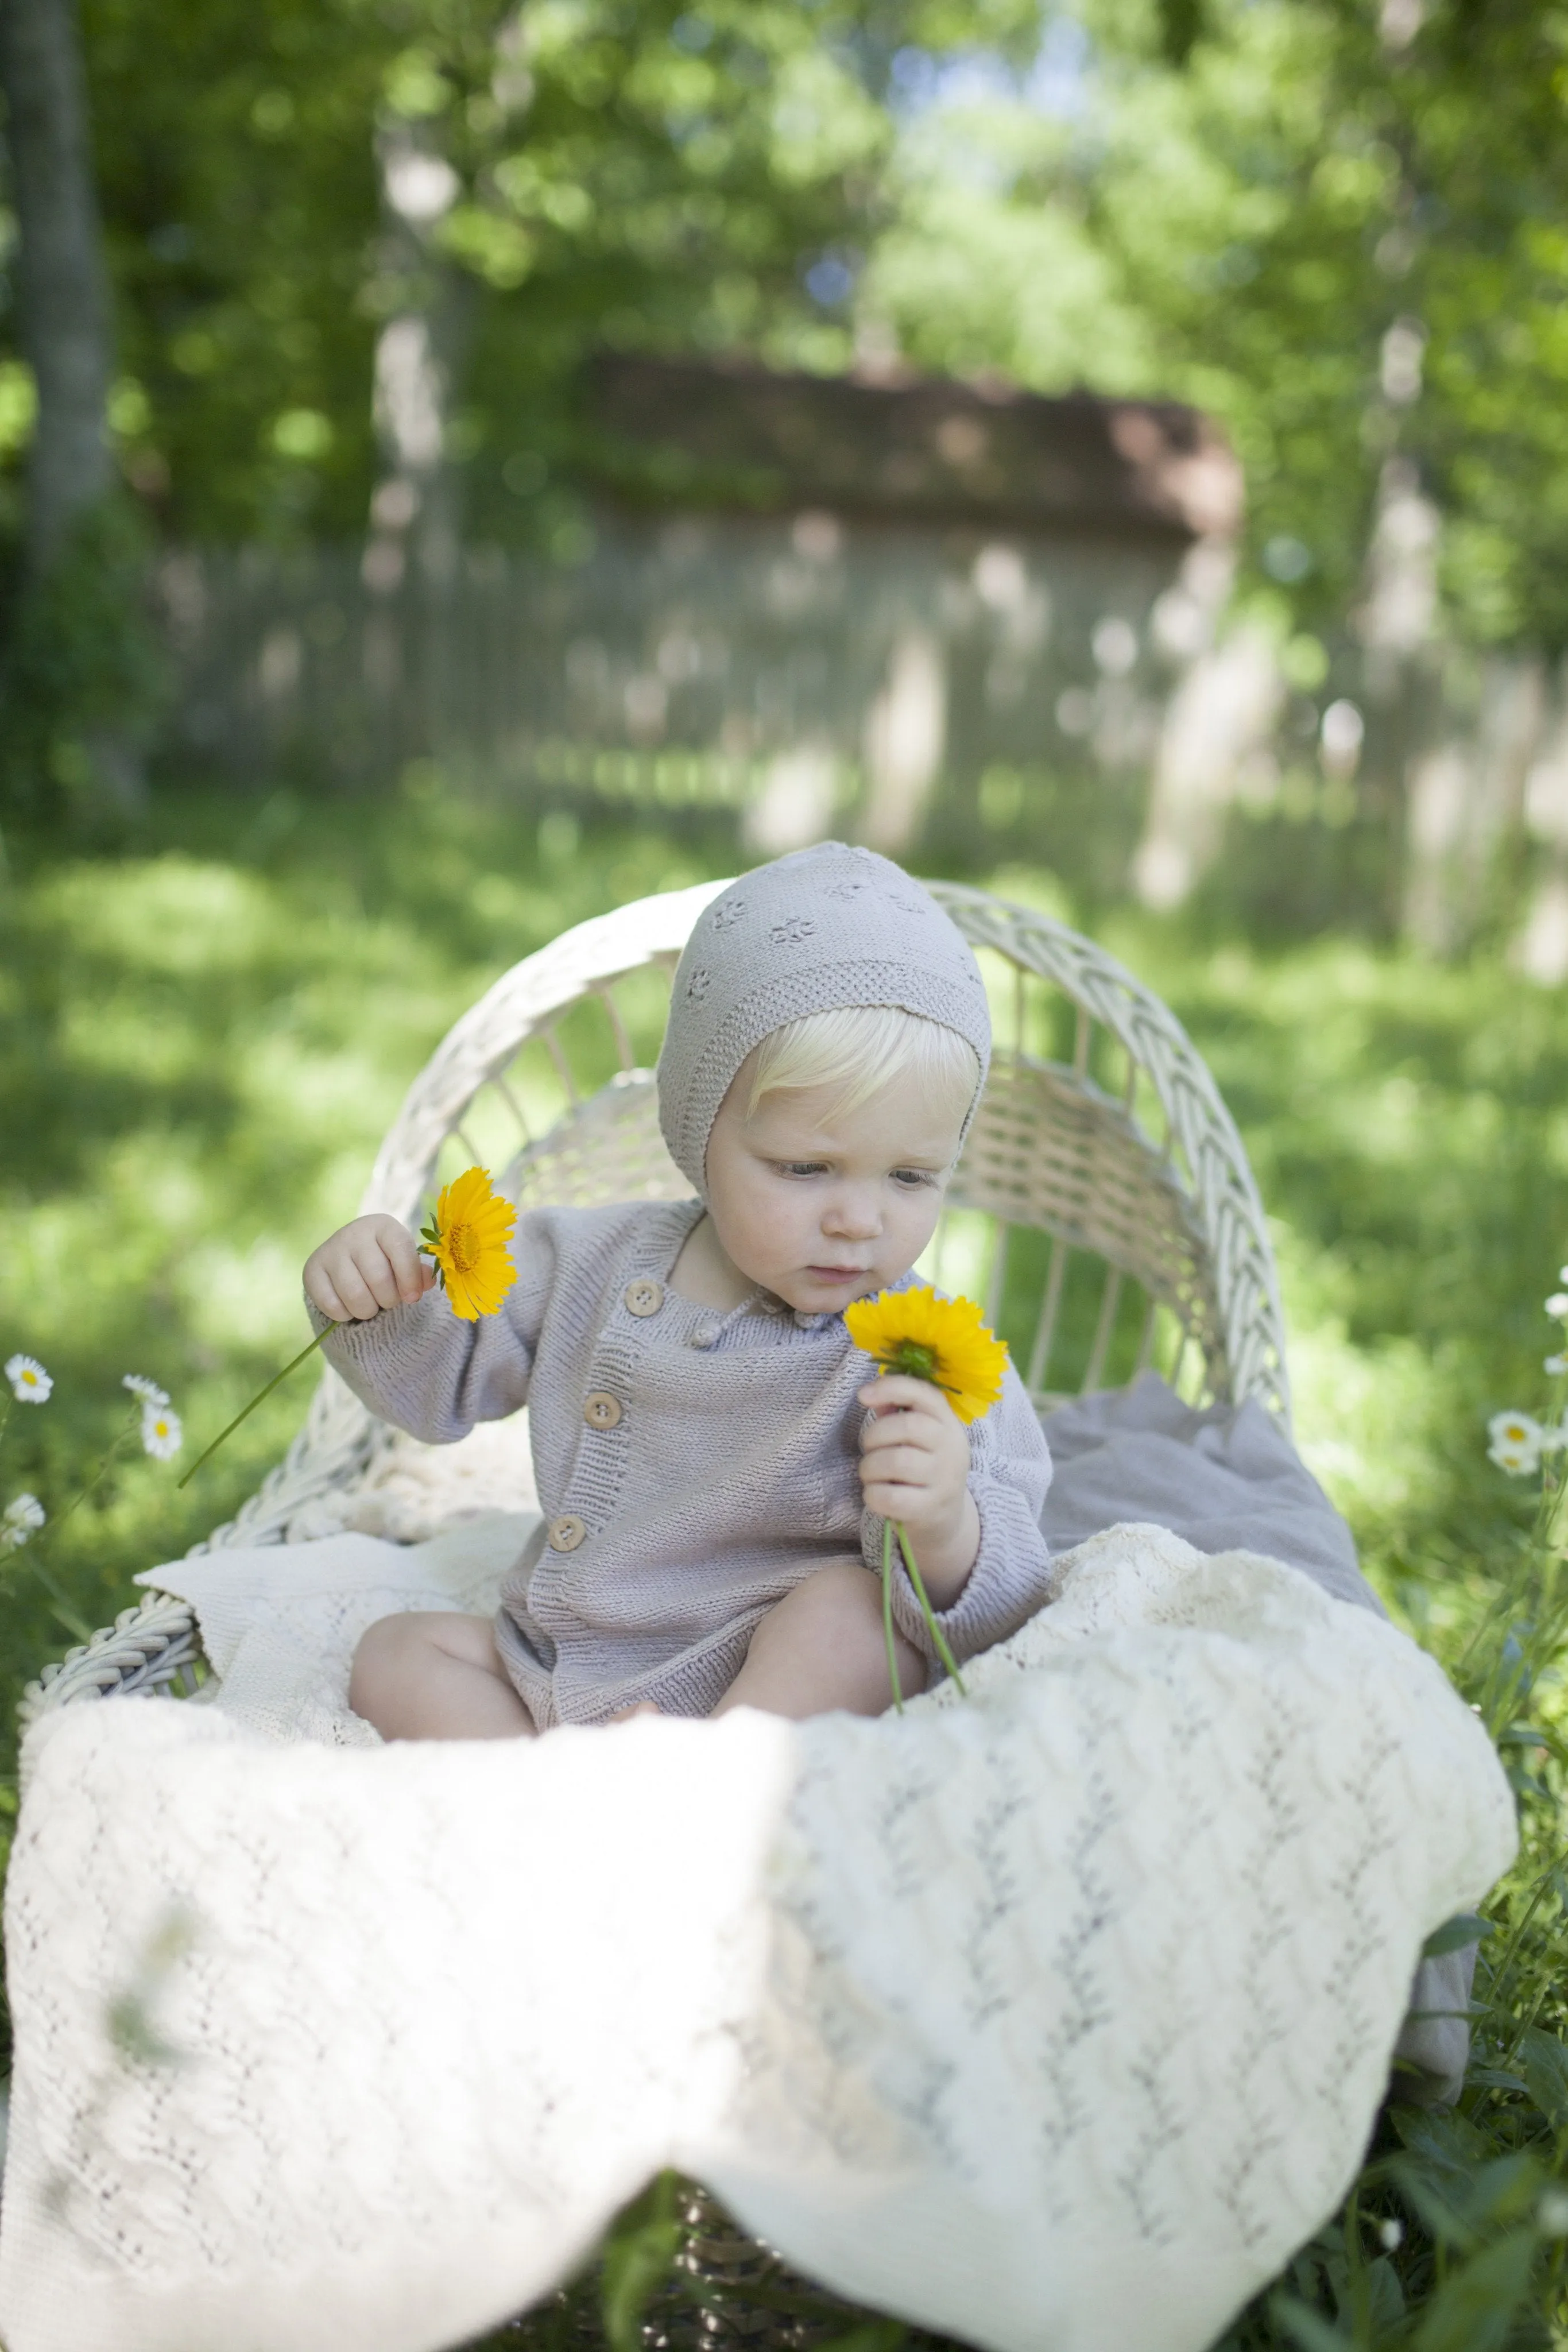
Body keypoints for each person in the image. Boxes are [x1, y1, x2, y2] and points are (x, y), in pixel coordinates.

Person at [304, 842, 1054, 1738]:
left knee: (855, 1620)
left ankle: (690, 1790)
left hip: (760, 1676)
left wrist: (944, 1523)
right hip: (566, 1658)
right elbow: (436, 1391)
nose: (860, 1221)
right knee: (395, 1656)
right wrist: (378, 1303)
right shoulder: (589, 1259)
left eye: (910, 1178)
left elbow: (1009, 1598)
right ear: (698, 1134)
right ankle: (551, 1792)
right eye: (806, 1167)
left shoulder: (924, 1356)